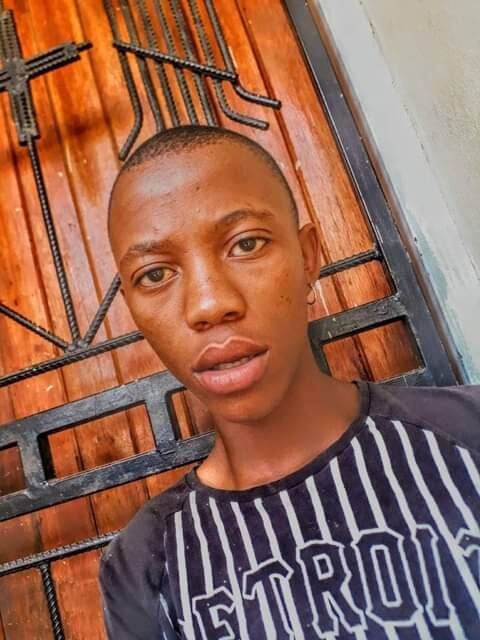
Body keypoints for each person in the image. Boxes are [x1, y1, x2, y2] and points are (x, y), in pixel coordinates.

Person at [100, 125, 480, 639]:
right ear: (133, 310)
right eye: (155, 274)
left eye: (246, 244)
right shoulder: (145, 564)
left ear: (308, 258)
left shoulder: (466, 435)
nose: (209, 304)